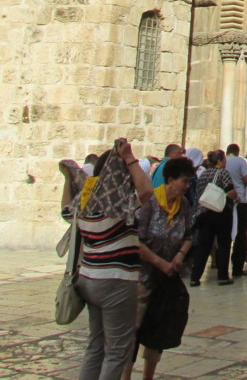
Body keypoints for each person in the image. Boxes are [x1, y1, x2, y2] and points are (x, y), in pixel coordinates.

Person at [59, 137, 153, 380]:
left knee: (96, 346)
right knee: (117, 352)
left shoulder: (85, 202)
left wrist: (68, 179)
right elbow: (147, 191)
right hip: (115, 282)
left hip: (89, 279)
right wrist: (129, 158)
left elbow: (66, 212)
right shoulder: (118, 205)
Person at [120, 156, 195, 380]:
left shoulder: (184, 205)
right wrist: (160, 263)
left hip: (167, 280)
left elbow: (189, 235)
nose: (187, 186)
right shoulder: (150, 203)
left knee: (158, 330)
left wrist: (180, 255)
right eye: (184, 181)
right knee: (133, 330)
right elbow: (137, 241)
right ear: (170, 180)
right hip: (143, 278)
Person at [189, 149, 237, 286]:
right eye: (224, 159)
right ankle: (223, 276)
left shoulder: (204, 173)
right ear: (220, 160)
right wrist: (235, 196)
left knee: (203, 246)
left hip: (204, 212)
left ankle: (195, 277)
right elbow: (230, 192)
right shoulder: (223, 173)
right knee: (223, 244)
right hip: (220, 212)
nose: (225, 162)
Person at [225, 143, 247, 278]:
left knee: (224, 234)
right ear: (237, 152)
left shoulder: (223, 161)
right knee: (241, 235)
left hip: (225, 201)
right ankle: (237, 267)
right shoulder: (240, 161)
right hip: (240, 200)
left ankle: (222, 267)